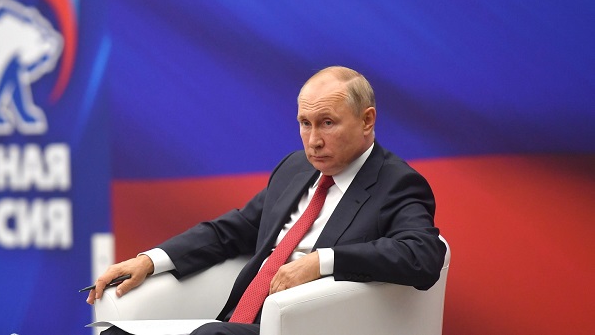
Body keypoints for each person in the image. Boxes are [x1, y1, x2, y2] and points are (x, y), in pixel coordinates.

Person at [87, 66, 446, 335]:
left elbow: (424, 255)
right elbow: (234, 230)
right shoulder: (295, 168)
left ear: (367, 121)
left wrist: (322, 262)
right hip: (240, 323)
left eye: (327, 123)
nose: (313, 140)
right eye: (305, 123)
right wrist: (150, 261)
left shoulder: (396, 183)